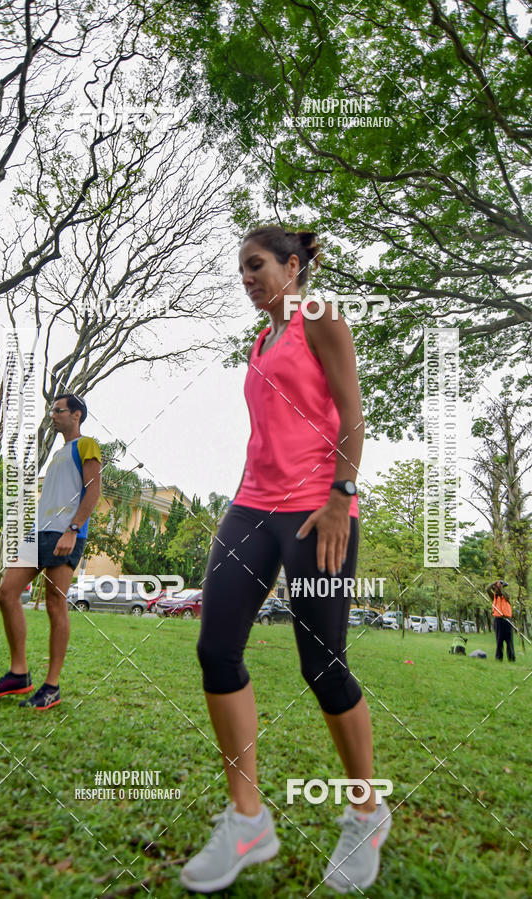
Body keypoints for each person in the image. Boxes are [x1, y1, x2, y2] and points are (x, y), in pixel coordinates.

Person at [180, 227, 391, 894]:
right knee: (217, 650)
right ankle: (249, 819)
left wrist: (342, 494)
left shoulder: (319, 317)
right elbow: (267, 432)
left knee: (322, 661)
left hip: (316, 507)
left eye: (257, 266)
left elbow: (354, 411)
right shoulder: (259, 341)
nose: (247, 278)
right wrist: (238, 504)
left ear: (293, 267)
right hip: (252, 506)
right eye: (240, 269)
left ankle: (367, 808)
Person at [0, 393, 101, 709]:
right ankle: (19, 675)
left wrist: (73, 530)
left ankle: (51, 686)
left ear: (76, 414)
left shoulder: (87, 445)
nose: (52, 414)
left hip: (65, 533)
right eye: (51, 410)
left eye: (58, 410)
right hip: (38, 535)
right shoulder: (59, 453)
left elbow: (93, 491)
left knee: (54, 602)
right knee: (7, 592)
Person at [487, 579, 515, 662]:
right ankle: (499, 659)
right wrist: (494, 582)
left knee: (509, 641)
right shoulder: (494, 596)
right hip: (498, 620)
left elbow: (507, 596)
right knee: (499, 641)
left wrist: (501, 588)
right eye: (495, 588)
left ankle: (511, 658)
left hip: (507, 620)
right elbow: (487, 589)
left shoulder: (506, 595)